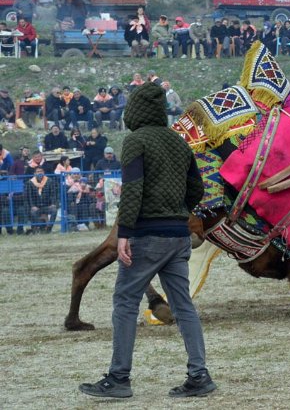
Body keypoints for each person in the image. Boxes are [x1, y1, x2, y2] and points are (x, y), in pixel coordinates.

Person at [79, 83, 215, 399]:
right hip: (178, 236)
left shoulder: (135, 141)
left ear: (135, 110)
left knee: (125, 302)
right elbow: (197, 190)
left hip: (146, 236)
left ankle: (119, 378)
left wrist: (124, 232)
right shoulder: (179, 143)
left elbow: (133, 190)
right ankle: (199, 375)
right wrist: (176, 207)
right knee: (184, 306)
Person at [25, 167, 58, 233]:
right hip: (36, 206)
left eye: (41, 171)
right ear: (34, 173)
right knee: (32, 212)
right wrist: (32, 206)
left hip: (46, 205)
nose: (40, 173)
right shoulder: (30, 182)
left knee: (54, 210)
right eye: (38, 171)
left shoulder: (49, 181)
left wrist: (53, 204)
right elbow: (29, 196)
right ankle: (39, 227)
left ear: (44, 172)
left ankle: (49, 228)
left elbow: (53, 193)